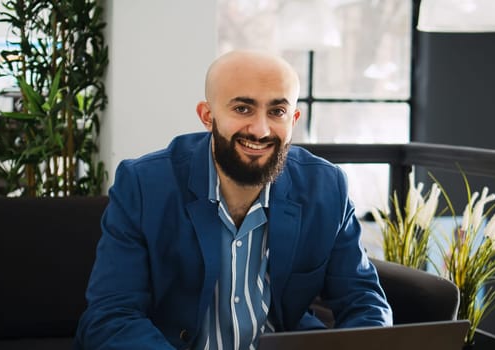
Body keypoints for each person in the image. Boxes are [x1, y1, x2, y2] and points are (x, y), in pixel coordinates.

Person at [74, 50, 392, 350]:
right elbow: (110, 317)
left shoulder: (326, 187)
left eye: (277, 111)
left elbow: (363, 300)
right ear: (207, 116)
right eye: (243, 109)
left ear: (293, 119)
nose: (260, 129)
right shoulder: (144, 184)